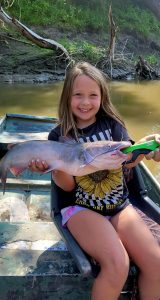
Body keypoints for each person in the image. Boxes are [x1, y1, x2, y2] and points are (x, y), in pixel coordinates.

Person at [29, 62, 160, 300]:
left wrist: (148, 147)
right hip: (80, 209)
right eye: (78, 95)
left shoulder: (113, 125)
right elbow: (67, 187)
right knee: (117, 264)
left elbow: (128, 161)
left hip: (120, 206)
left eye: (93, 95)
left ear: (102, 97)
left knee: (156, 263)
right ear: (67, 97)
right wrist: (54, 167)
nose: (85, 102)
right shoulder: (59, 135)